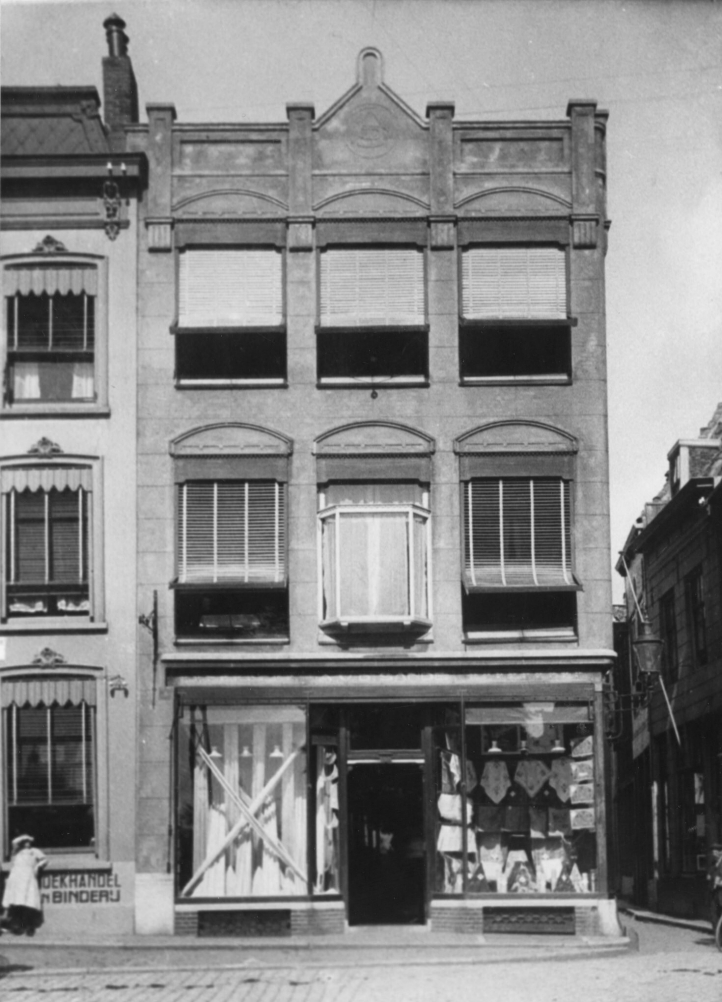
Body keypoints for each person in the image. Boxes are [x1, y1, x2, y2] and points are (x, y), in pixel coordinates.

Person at [1, 835, 47, 935]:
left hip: (28, 877)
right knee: (16, 901)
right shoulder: (17, 851)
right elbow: (14, 842)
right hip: (16, 877)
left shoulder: (34, 851)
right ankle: (16, 925)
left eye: (29, 842)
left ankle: (28, 925)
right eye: (25, 842)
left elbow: (44, 860)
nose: (27, 843)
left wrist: (38, 866)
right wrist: (24, 837)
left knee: (28, 901)